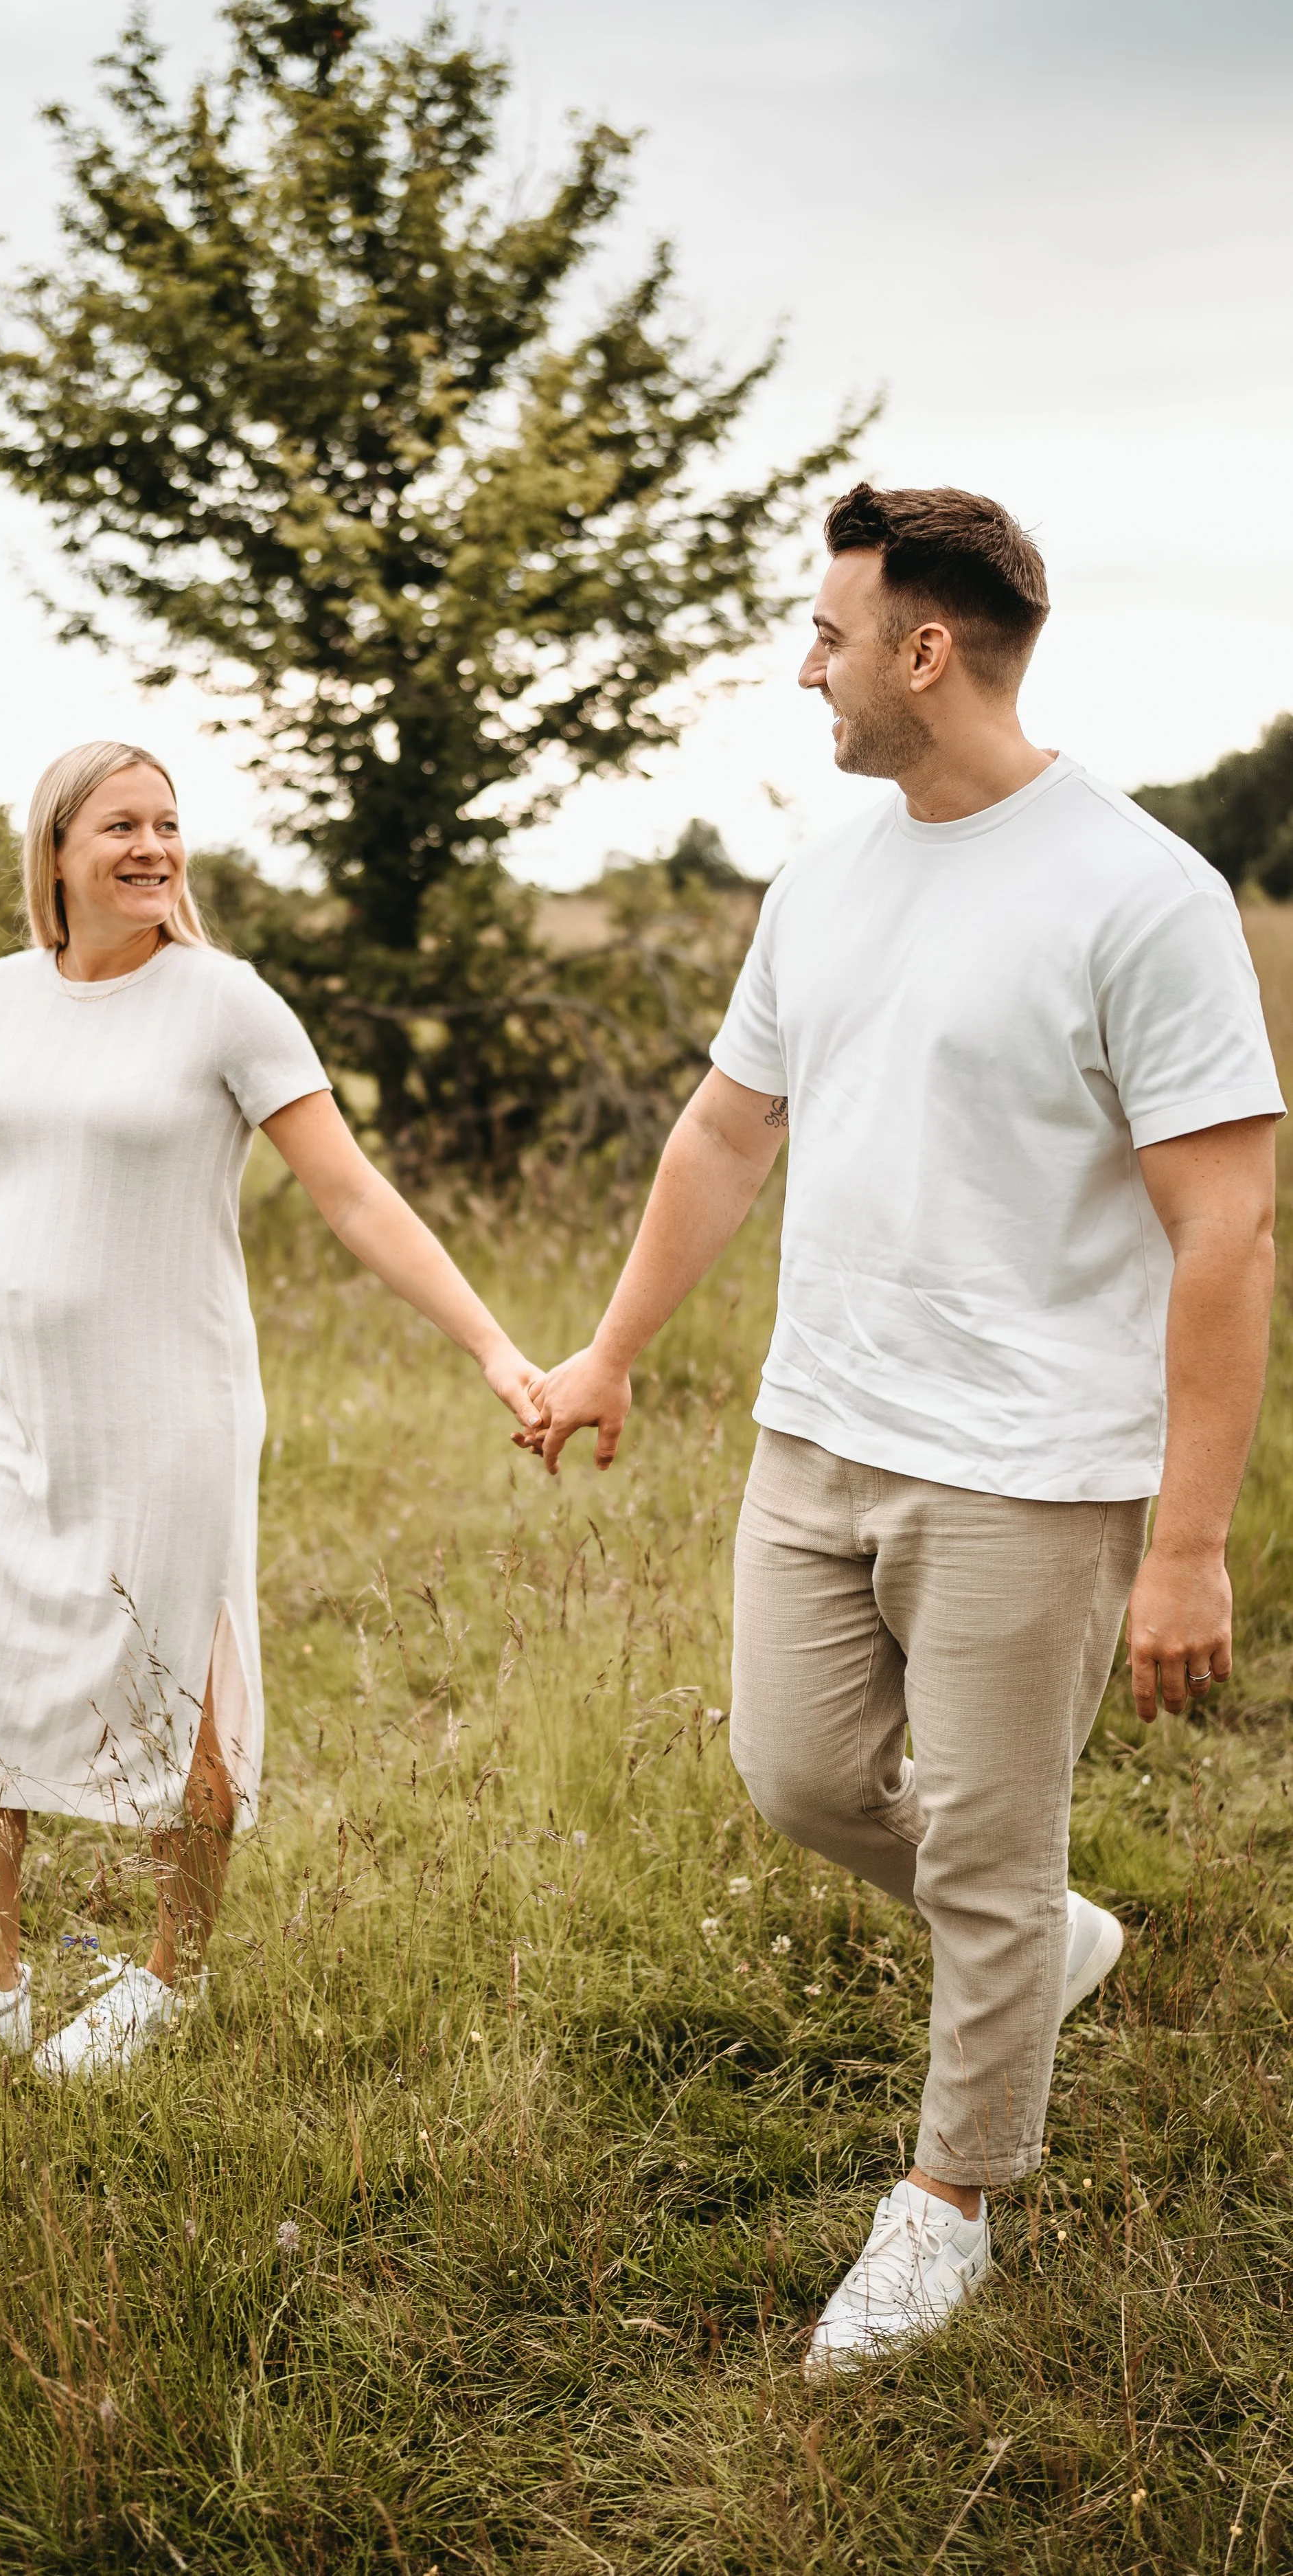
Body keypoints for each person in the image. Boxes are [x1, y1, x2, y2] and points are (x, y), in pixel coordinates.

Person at [525, 484, 1282, 2375]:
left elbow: (1224, 1225)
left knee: (986, 1837)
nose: (806, 666)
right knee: (797, 1776)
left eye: (826, 633)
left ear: (922, 651)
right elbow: (724, 1129)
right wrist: (613, 1345)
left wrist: (1185, 1542)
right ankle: (1042, 1938)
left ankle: (951, 2199)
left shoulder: (1139, 893)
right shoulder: (827, 872)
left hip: (1028, 1467)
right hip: (816, 1432)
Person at [0, 739, 540, 2080]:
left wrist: (494, 1350)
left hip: (172, 1406)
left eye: (167, 824)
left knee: (179, 1689)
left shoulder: (225, 1004)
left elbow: (351, 1195)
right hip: (17, 1401)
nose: (152, 848)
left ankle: (171, 1976)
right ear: (57, 853)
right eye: (120, 827)